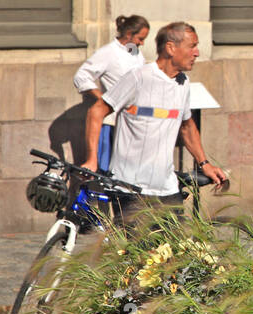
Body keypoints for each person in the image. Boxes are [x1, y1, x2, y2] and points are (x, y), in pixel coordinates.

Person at [83, 21, 227, 213]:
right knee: (136, 244)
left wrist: (204, 164)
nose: (197, 53)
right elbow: (96, 112)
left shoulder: (183, 83)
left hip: (167, 189)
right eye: (192, 46)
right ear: (171, 48)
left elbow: (187, 126)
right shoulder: (138, 77)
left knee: (177, 244)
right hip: (131, 188)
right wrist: (92, 159)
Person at [73, 15, 150, 170]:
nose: (142, 43)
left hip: (133, 120)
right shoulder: (108, 52)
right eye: (140, 39)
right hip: (112, 121)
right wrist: (103, 98)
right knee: (106, 169)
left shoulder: (134, 51)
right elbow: (81, 76)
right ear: (128, 34)